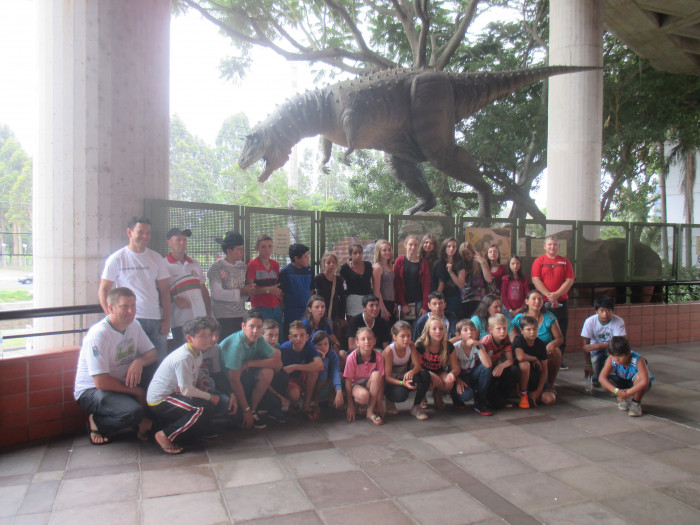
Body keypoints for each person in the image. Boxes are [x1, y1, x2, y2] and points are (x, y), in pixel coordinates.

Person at [74, 287, 158, 446]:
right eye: (125, 306)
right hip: (93, 390)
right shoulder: (99, 335)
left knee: (157, 371)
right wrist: (137, 392)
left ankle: (147, 419)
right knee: (132, 412)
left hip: (121, 382)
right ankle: (98, 423)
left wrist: (139, 361)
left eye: (133, 306)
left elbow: (152, 353)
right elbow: (101, 382)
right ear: (111, 308)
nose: (131, 311)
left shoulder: (134, 325)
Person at [147, 317, 233, 454]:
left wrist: (199, 383)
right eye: (203, 336)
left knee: (207, 406)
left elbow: (189, 382)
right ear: (189, 338)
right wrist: (211, 397)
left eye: (209, 335)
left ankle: (185, 434)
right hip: (161, 400)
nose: (209, 339)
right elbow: (186, 390)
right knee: (201, 408)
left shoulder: (197, 353)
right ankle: (164, 435)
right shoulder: (184, 357)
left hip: (176, 394)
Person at [98, 216, 171, 361]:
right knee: (132, 366)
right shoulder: (117, 258)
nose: (145, 236)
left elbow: (164, 291)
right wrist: (111, 317)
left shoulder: (156, 258)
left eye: (148, 232)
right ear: (129, 232)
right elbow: (103, 290)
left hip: (155, 320)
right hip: (130, 320)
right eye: (141, 231)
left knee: (160, 365)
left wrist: (167, 320)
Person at [219, 309, 284, 430]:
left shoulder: (258, 338)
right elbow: (233, 380)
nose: (255, 331)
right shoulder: (236, 345)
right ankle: (247, 410)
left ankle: (253, 410)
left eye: (259, 327)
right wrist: (245, 409)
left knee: (268, 374)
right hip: (225, 383)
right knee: (240, 420)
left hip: (246, 376)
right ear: (243, 326)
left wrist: (249, 363)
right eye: (251, 327)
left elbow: (277, 364)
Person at [531, 235, 575, 370]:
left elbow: (569, 280)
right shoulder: (539, 261)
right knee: (542, 329)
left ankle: (559, 359)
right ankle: (540, 356)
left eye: (555, 244)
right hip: (543, 303)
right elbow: (536, 280)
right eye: (549, 244)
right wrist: (548, 295)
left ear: (559, 246)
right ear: (544, 246)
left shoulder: (565, 262)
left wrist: (556, 295)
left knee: (561, 330)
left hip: (561, 302)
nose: (552, 247)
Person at [164, 227, 212, 348]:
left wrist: (209, 314)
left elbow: (203, 289)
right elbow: (159, 293)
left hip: (201, 319)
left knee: (202, 356)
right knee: (184, 355)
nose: (182, 243)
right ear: (169, 242)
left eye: (184, 240)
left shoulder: (194, 263)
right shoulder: (163, 265)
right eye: (178, 239)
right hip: (180, 322)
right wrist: (174, 299)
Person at [510, 290, 563, 390]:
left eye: (540, 299)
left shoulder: (549, 316)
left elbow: (560, 338)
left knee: (557, 352)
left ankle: (550, 384)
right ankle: (522, 390)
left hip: (544, 351)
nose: (537, 302)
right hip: (526, 351)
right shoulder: (519, 318)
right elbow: (514, 338)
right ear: (527, 301)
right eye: (534, 299)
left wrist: (551, 344)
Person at [208, 231, 255, 341]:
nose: (242, 252)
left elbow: (248, 295)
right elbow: (217, 294)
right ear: (229, 251)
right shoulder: (216, 268)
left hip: (242, 316)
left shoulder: (243, 267)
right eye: (239, 249)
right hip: (224, 317)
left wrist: (248, 312)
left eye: (242, 248)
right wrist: (241, 291)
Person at [280, 320, 324, 420]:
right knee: (294, 394)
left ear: (307, 337)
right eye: (295, 336)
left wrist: (295, 366)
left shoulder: (309, 345)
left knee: (314, 369)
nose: (299, 339)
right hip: (290, 380)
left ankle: (306, 404)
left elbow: (320, 365)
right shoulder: (284, 349)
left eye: (302, 335)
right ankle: (294, 404)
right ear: (290, 338)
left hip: (302, 376)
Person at [599, 336, 653, 417]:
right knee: (605, 382)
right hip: (621, 382)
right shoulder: (611, 359)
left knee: (639, 378)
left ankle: (636, 403)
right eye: (614, 356)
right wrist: (617, 391)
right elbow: (601, 378)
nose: (617, 360)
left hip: (634, 384)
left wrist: (628, 393)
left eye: (620, 356)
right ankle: (622, 399)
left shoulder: (638, 359)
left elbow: (644, 382)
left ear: (628, 353)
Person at [415, 315, 460, 410]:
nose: (438, 332)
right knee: (427, 382)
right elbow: (415, 367)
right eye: (434, 329)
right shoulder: (420, 345)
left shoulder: (448, 346)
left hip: (439, 372)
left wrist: (452, 374)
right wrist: (430, 374)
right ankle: (422, 396)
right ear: (428, 331)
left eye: (441, 328)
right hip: (423, 373)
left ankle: (437, 394)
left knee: (449, 382)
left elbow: (456, 368)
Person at [512, 316, 556, 409]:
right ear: (522, 330)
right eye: (528, 329)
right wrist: (535, 358)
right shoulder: (518, 340)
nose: (532, 332)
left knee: (550, 399)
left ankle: (533, 395)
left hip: (536, 377)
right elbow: (520, 357)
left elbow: (544, 370)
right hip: (522, 375)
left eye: (535, 329)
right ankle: (523, 393)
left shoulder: (540, 344)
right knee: (525, 364)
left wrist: (539, 391)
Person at [581, 295, 627, 386]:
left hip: (612, 350)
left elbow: (619, 343)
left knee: (615, 358)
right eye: (602, 310)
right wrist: (588, 364)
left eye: (608, 310)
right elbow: (586, 346)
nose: (605, 314)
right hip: (595, 351)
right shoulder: (589, 322)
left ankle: (613, 376)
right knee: (595, 381)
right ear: (596, 311)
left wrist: (598, 345)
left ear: (612, 311)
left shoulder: (619, 321)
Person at [344, 327, 386, 425]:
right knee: (364, 396)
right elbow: (348, 381)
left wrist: (379, 402)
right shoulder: (352, 358)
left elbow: (381, 380)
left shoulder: (378, 356)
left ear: (374, 341)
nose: (367, 341)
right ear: (357, 342)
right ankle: (359, 405)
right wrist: (350, 405)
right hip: (356, 384)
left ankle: (370, 411)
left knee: (377, 374)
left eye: (369, 338)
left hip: (369, 383)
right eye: (363, 339)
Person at [451, 319, 492, 415]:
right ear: (459, 335)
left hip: (472, 374)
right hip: (459, 375)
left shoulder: (477, 345)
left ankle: (481, 403)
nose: (470, 332)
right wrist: (457, 380)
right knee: (466, 396)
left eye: (472, 330)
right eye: (465, 330)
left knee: (486, 369)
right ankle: (456, 397)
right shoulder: (455, 347)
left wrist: (479, 346)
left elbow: (488, 365)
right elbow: (450, 368)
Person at [383, 320, 422, 416]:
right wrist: (402, 383)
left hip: (404, 376)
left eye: (409, 336)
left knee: (424, 376)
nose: (406, 339)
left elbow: (418, 366)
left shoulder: (411, 346)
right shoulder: (389, 351)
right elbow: (386, 377)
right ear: (394, 337)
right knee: (401, 395)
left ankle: (416, 406)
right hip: (393, 381)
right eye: (402, 336)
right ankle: (389, 400)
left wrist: (412, 372)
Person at [481, 314, 517, 409]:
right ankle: (491, 400)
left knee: (513, 370)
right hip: (483, 368)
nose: (502, 331)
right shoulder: (485, 342)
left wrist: (501, 366)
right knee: (487, 374)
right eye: (498, 328)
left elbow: (510, 360)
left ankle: (502, 397)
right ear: (490, 330)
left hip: (495, 366)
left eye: (504, 328)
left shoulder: (505, 338)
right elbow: (481, 363)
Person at [246, 234, 283, 326]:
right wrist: (268, 290)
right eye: (263, 247)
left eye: (270, 246)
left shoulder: (275, 265)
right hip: (260, 306)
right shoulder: (253, 265)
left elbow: (277, 286)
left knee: (278, 334)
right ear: (256, 248)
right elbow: (249, 290)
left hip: (275, 306)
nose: (267, 250)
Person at [279, 243, 314, 337]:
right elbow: (281, 294)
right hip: (291, 313)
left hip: (306, 312)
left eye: (308, 256)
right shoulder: (285, 272)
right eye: (305, 256)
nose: (308, 258)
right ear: (296, 258)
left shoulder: (310, 270)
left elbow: (311, 291)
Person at [394, 235, 431, 322]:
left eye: (415, 245)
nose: (413, 247)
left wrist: (425, 306)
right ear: (405, 245)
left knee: (418, 331)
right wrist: (403, 303)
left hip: (419, 302)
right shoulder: (399, 261)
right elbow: (397, 284)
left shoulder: (423, 263)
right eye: (410, 244)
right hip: (404, 303)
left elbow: (426, 285)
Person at [313, 252, 347, 337]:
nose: (331, 265)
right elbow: (313, 296)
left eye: (333, 262)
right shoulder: (318, 278)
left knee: (335, 338)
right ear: (323, 264)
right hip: (321, 314)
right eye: (328, 262)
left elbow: (342, 298)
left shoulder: (338, 280)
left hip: (334, 314)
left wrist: (342, 317)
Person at [310, 331, 345, 412]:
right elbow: (321, 375)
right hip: (315, 381)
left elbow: (335, 371)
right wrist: (323, 359)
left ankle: (332, 397)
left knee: (339, 375)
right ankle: (314, 399)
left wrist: (339, 390)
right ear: (313, 345)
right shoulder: (311, 354)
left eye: (326, 344)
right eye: (319, 344)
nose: (323, 347)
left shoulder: (332, 355)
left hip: (326, 380)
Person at [433, 237, 465, 318]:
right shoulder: (439, 262)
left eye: (454, 246)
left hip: (454, 297)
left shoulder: (459, 263)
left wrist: (451, 272)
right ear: (444, 247)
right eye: (449, 246)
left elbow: (461, 285)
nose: (451, 249)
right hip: (440, 297)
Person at [340, 242, 373, 318]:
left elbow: (371, 283)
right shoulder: (345, 268)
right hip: (352, 300)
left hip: (367, 299)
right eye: (355, 253)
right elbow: (340, 286)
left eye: (360, 252)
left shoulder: (368, 265)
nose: (358, 255)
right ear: (350, 254)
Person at [459, 242, 491, 318]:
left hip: (478, 298)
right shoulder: (461, 265)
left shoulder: (480, 262)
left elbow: (489, 279)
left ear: (472, 252)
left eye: (468, 253)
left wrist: (482, 262)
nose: (466, 256)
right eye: (464, 255)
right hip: (465, 299)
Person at [372, 239, 396, 323]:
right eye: (384, 250)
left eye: (389, 250)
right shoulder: (377, 268)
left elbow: (392, 286)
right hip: (383, 303)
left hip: (392, 303)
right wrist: (383, 309)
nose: (387, 252)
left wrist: (395, 303)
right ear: (379, 252)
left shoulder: (391, 266)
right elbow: (376, 290)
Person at [501, 255, 529, 319]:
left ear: (520, 264)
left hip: (521, 309)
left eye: (517, 263)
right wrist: (510, 310)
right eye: (513, 263)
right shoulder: (505, 278)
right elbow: (504, 295)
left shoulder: (524, 279)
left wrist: (522, 308)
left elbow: (527, 295)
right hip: (508, 310)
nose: (515, 266)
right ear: (509, 265)